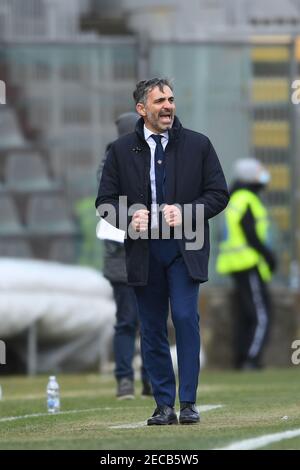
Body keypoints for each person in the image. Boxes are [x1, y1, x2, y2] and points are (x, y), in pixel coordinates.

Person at [96, 78, 229, 425]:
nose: (168, 106)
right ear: (142, 109)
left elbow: (218, 194)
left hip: (187, 247)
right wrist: (128, 217)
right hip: (143, 250)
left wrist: (186, 212)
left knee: (185, 319)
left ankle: (188, 403)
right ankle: (163, 405)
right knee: (151, 326)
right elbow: (104, 203)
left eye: (170, 99)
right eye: (159, 101)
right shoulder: (121, 151)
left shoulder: (199, 145)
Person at [99, 112, 152, 399]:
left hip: (146, 249)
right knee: (128, 320)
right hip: (121, 254)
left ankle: (150, 380)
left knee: (150, 320)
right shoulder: (112, 160)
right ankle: (124, 379)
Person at [216, 158, 277, 370]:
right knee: (261, 314)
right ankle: (252, 358)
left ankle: (241, 358)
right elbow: (250, 233)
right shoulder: (247, 199)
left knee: (245, 314)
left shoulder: (233, 198)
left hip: (235, 263)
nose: (264, 175)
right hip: (248, 262)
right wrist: (269, 257)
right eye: (260, 171)